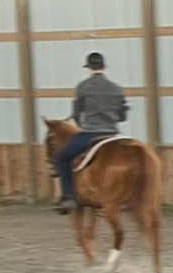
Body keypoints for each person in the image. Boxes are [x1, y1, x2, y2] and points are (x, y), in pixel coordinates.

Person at [52, 50, 129, 212]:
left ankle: (68, 197)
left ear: (89, 68)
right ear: (103, 67)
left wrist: (82, 125)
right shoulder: (117, 88)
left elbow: (77, 115)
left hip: (90, 133)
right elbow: (122, 117)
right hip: (112, 134)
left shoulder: (82, 87)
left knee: (61, 157)